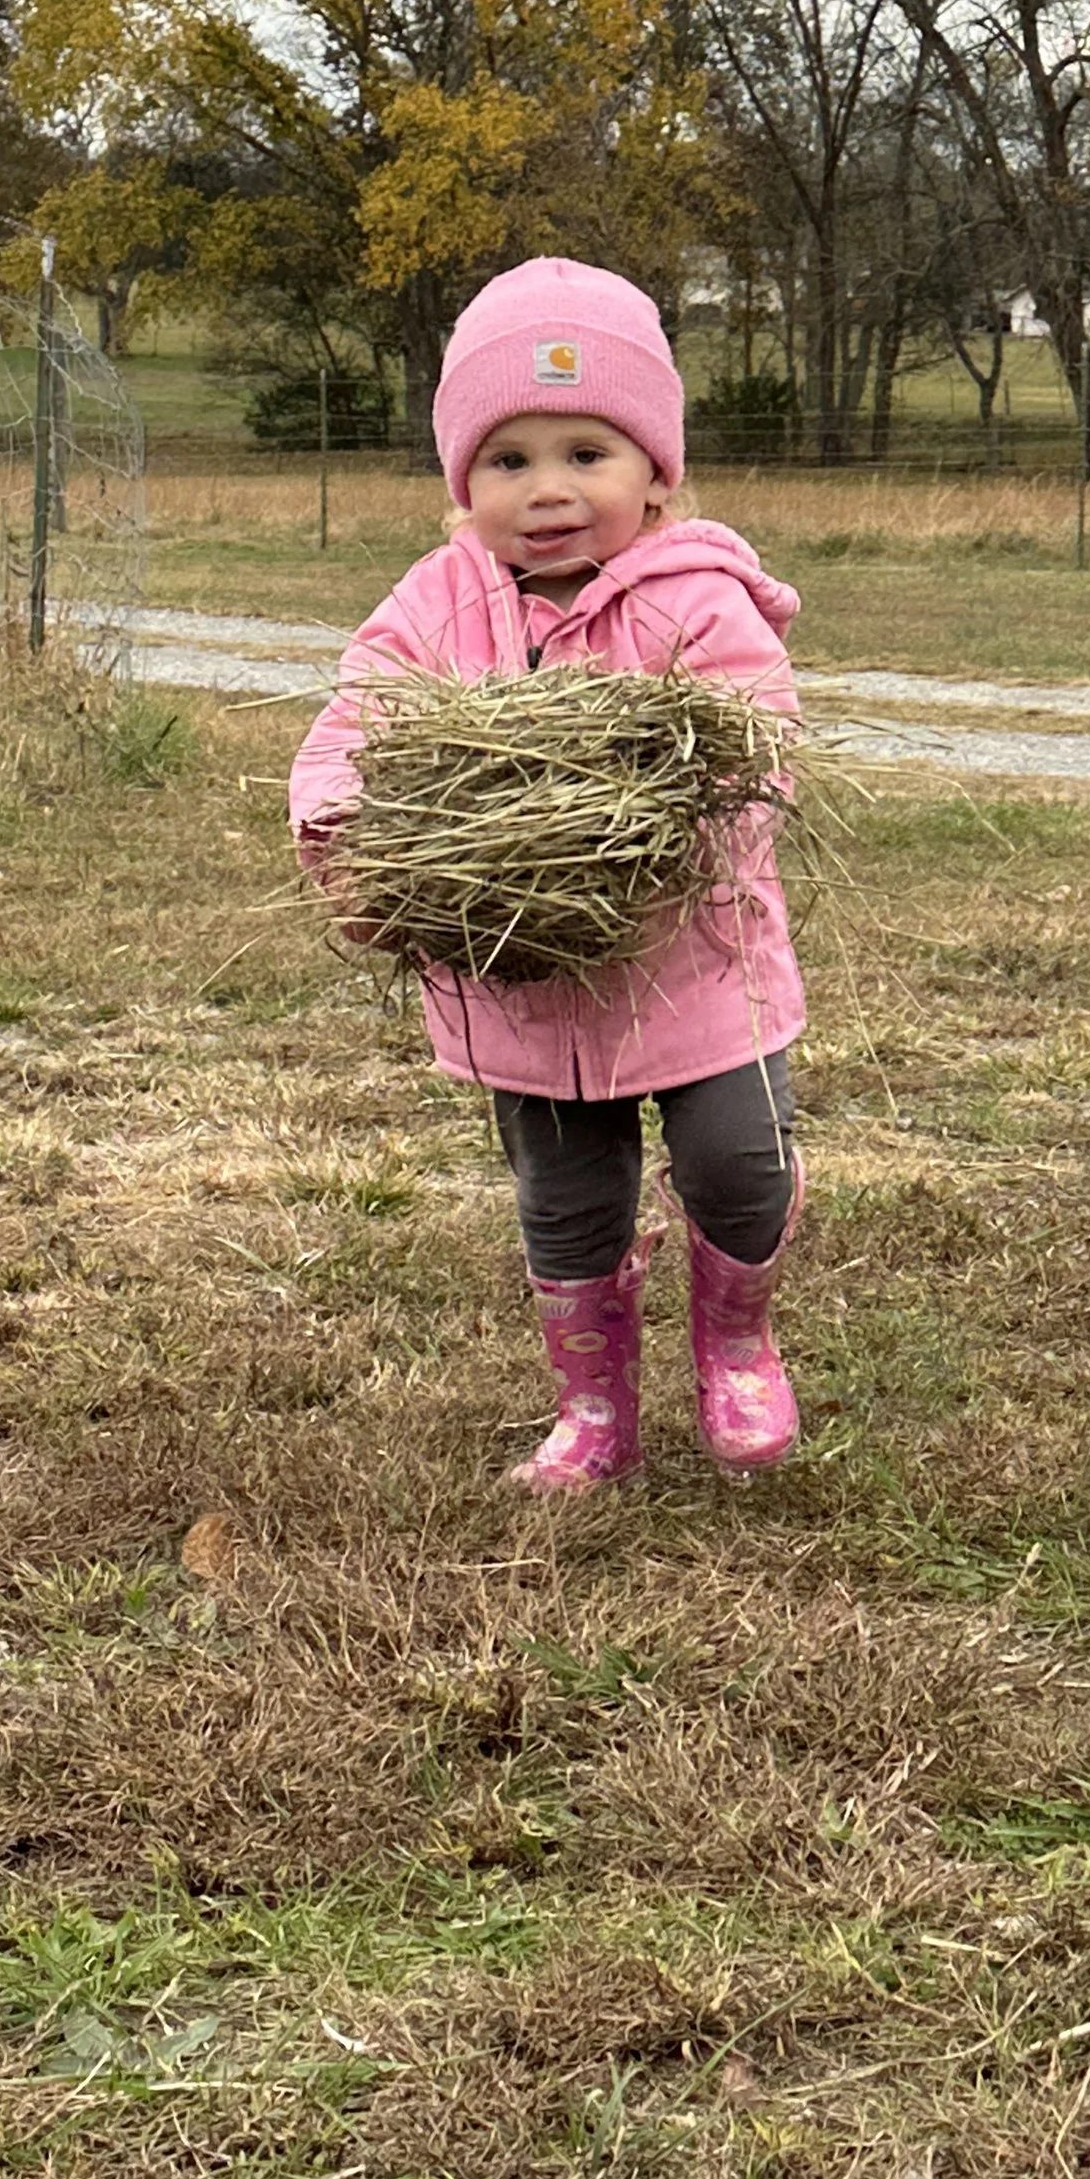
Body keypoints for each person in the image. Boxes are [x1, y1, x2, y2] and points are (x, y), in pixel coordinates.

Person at [289, 257, 807, 1494]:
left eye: (589, 452)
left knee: (739, 1162)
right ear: (462, 481)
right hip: (515, 980)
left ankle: (735, 1339)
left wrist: (654, 838)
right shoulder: (436, 604)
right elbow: (350, 730)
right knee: (565, 1199)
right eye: (508, 460)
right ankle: (591, 1409)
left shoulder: (695, 598)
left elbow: (759, 738)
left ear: (657, 470)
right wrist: (346, 848)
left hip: (693, 964)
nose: (549, 491)